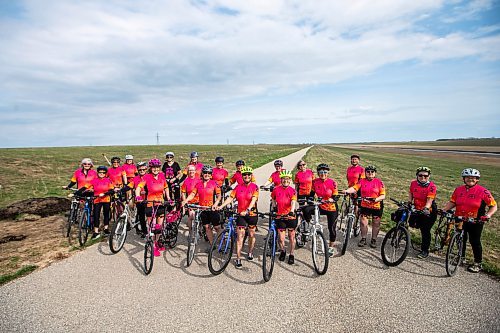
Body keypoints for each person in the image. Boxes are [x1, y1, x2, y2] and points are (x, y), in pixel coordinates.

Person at [441, 168, 497, 273]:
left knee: (474, 241)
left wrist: (488, 215)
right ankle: (461, 257)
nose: (470, 179)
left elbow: (493, 206)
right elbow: (453, 202)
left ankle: (477, 263)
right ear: (464, 179)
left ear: (477, 179)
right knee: (460, 238)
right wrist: (444, 210)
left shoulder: (483, 191)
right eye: (467, 177)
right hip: (460, 218)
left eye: (473, 178)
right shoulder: (458, 190)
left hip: (475, 220)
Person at [217, 166, 259, 268]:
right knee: (240, 237)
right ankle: (238, 258)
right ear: (242, 176)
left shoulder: (255, 187)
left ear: (251, 176)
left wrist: (248, 210)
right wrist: (221, 206)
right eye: (244, 175)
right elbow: (231, 198)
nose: (247, 176)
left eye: (249, 175)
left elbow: (253, 200)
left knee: (251, 236)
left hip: (252, 214)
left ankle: (250, 252)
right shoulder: (238, 187)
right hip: (241, 214)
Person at [135, 159, 171, 256]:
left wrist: (168, 197)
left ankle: (157, 241)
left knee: (159, 227)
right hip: (150, 203)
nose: (156, 169)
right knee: (153, 225)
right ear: (150, 168)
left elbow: (166, 187)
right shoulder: (146, 177)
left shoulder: (162, 177)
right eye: (154, 167)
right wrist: (138, 196)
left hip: (160, 203)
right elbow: (138, 187)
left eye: (157, 167)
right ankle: (153, 244)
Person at [345, 165, 386, 248]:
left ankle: (374, 239)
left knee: (376, 223)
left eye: (372, 172)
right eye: (368, 172)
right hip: (365, 205)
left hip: (376, 206)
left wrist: (375, 199)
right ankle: (363, 238)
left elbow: (383, 196)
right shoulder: (362, 181)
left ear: (375, 173)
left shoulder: (379, 182)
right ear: (365, 173)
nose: (370, 173)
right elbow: (354, 188)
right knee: (363, 222)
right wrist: (347, 191)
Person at [302, 164, 339, 256]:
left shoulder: (332, 182)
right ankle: (308, 225)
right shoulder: (315, 182)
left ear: (328, 173)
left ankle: (330, 247)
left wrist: (332, 199)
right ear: (318, 173)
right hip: (321, 206)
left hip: (331, 208)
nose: (323, 174)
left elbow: (336, 195)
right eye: (321, 172)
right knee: (305, 209)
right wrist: (309, 200)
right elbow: (312, 193)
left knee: (332, 229)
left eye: (325, 172)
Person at [182, 165, 222, 245]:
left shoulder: (214, 183)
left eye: (209, 173)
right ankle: (212, 245)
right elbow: (193, 194)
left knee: (217, 227)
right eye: (205, 173)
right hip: (202, 209)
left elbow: (219, 196)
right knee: (207, 227)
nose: (207, 174)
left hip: (211, 208)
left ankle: (222, 241)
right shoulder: (198, 184)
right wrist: (185, 200)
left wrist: (215, 204)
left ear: (211, 175)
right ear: (202, 174)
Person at [74, 165, 115, 239]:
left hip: (106, 199)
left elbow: (112, 191)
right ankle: (96, 232)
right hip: (97, 200)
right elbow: (84, 187)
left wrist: (105, 193)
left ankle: (106, 229)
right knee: (96, 215)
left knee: (106, 214)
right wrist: (75, 193)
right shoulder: (93, 181)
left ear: (105, 173)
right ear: (98, 173)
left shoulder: (108, 180)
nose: (101, 174)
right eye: (100, 172)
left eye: (103, 172)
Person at [408, 166, 437, 259]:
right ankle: (404, 235)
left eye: (426, 176)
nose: (423, 178)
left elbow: (430, 200)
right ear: (417, 176)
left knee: (425, 230)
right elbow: (411, 193)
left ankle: (425, 250)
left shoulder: (431, 186)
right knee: (411, 223)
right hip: (417, 207)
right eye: (420, 175)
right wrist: (409, 202)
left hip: (428, 210)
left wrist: (426, 208)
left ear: (429, 176)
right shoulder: (413, 183)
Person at [271, 170, 297, 264]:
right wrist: (274, 207)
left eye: (287, 179)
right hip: (280, 216)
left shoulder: (292, 191)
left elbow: (293, 201)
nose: (285, 181)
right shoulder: (276, 189)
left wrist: (291, 211)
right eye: (283, 179)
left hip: (290, 217)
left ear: (290, 180)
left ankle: (291, 254)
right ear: (281, 180)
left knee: (291, 237)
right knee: (281, 238)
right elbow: (273, 198)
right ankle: (283, 250)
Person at [123, 161, 148, 237]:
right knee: (141, 216)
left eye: (143, 169)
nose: (142, 171)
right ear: (137, 170)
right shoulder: (135, 179)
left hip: (149, 200)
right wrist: (121, 191)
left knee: (150, 217)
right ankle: (144, 231)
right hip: (139, 200)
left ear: (146, 169)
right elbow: (129, 186)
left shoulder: (149, 177)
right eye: (140, 170)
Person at [181, 165, 201, 230]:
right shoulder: (186, 181)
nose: (191, 172)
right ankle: (190, 231)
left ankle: (199, 230)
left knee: (200, 217)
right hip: (191, 202)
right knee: (191, 217)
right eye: (190, 170)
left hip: (200, 201)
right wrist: (185, 201)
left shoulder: (199, 180)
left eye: (192, 170)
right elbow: (183, 193)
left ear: (195, 171)